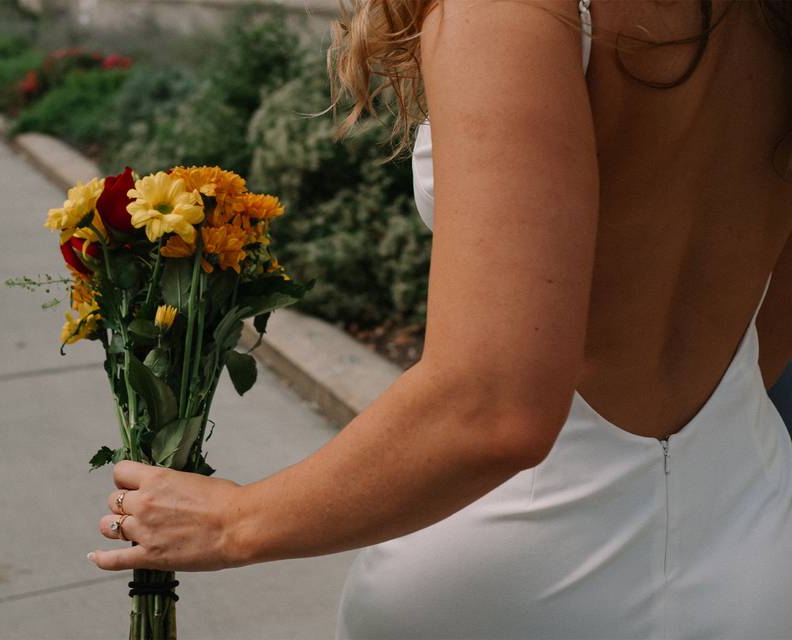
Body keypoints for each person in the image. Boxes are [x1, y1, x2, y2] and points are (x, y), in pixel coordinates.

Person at [87, 0, 792, 637]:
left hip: (518, 583)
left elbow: (495, 409)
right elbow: (773, 329)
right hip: (752, 542)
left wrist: (235, 521)